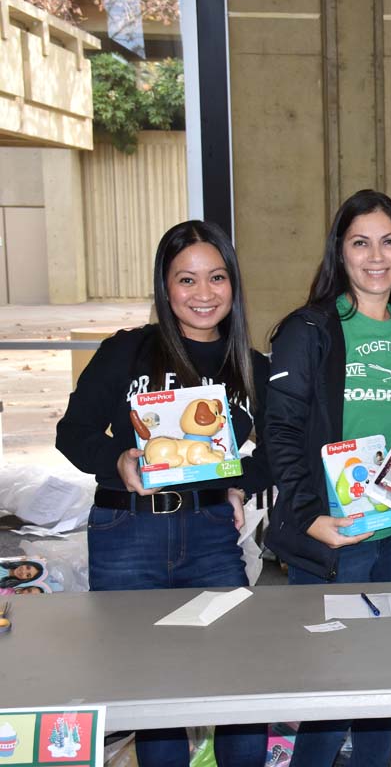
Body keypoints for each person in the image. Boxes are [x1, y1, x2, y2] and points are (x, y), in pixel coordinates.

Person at [56, 220, 269, 767]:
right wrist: (117, 459)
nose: (203, 294)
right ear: (165, 286)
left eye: (217, 278)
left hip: (209, 534)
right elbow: (72, 431)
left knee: (239, 682)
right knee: (149, 689)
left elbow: (281, 450)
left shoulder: (251, 367)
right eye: (186, 280)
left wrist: (241, 485)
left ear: (233, 284)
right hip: (126, 533)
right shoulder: (127, 351)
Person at [265, 189, 391, 767]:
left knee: (384, 680)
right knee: (330, 681)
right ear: (340, 252)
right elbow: (282, 431)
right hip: (339, 531)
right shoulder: (310, 328)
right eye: (360, 243)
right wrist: (310, 517)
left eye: (389, 241)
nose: (377, 256)